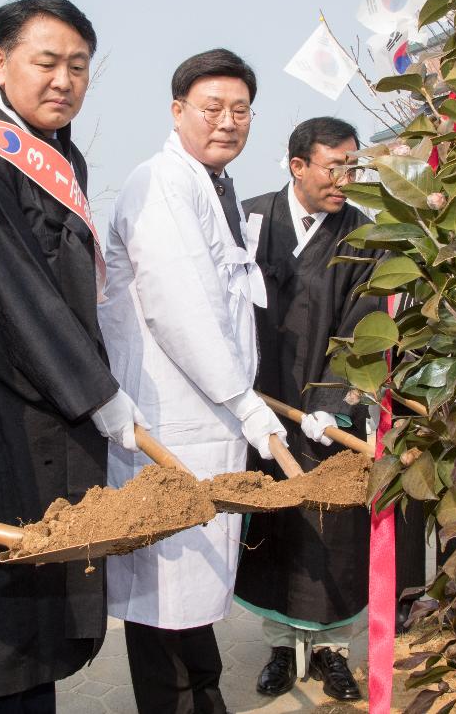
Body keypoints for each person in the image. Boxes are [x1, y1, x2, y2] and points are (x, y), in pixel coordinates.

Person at [0, 0, 140, 713]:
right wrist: (99, 391)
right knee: (1, 630)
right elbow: (5, 286)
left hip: (52, 415)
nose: (64, 80)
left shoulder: (59, 154)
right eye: (46, 61)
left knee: (41, 625)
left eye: (79, 66)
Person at [98, 48, 294, 714]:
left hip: (205, 418)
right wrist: (243, 401)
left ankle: (204, 700)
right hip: (170, 422)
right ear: (177, 110)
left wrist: (242, 402)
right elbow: (182, 308)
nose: (228, 121)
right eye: (212, 107)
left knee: (193, 592)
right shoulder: (160, 183)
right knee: (165, 595)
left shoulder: (213, 185)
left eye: (241, 110)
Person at [233, 116, 380, 701]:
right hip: (260, 409)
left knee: (333, 529)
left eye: (354, 167)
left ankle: (332, 651)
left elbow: (363, 327)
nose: (345, 178)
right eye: (334, 167)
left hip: (326, 417)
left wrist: (332, 403)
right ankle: (277, 644)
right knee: (273, 528)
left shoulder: (363, 235)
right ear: (297, 166)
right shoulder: (248, 219)